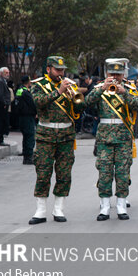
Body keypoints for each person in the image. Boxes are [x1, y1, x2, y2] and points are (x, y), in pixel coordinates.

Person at [28, 56, 86, 225]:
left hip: (66, 135)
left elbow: (80, 107)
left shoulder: (70, 84)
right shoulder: (38, 84)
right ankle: (40, 210)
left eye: (62, 70)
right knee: (43, 173)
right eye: (57, 70)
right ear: (48, 69)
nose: (61, 73)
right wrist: (59, 91)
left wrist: (78, 98)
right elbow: (39, 103)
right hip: (45, 135)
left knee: (64, 173)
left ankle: (59, 208)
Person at [86, 58, 138, 221]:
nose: (115, 77)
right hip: (104, 137)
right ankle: (104, 207)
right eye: (112, 74)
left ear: (123, 74)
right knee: (104, 172)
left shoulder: (129, 89)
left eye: (118, 74)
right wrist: (101, 89)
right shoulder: (99, 88)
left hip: (123, 137)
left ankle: (121, 206)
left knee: (123, 173)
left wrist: (123, 92)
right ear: (107, 74)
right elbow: (86, 104)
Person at [16, 75, 37, 165]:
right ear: (28, 82)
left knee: (25, 137)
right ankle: (28, 157)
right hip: (28, 117)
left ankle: (26, 156)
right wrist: (36, 112)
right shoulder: (26, 92)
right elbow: (32, 103)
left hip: (21, 117)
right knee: (30, 137)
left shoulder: (19, 90)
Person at [0, 67, 11, 146]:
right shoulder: (0, 81)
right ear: (1, 73)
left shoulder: (3, 81)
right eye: (6, 73)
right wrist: (4, 103)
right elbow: (0, 94)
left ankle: (0, 139)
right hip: (1, 106)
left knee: (2, 122)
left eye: (8, 72)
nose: (8, 74)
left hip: (3, 105)